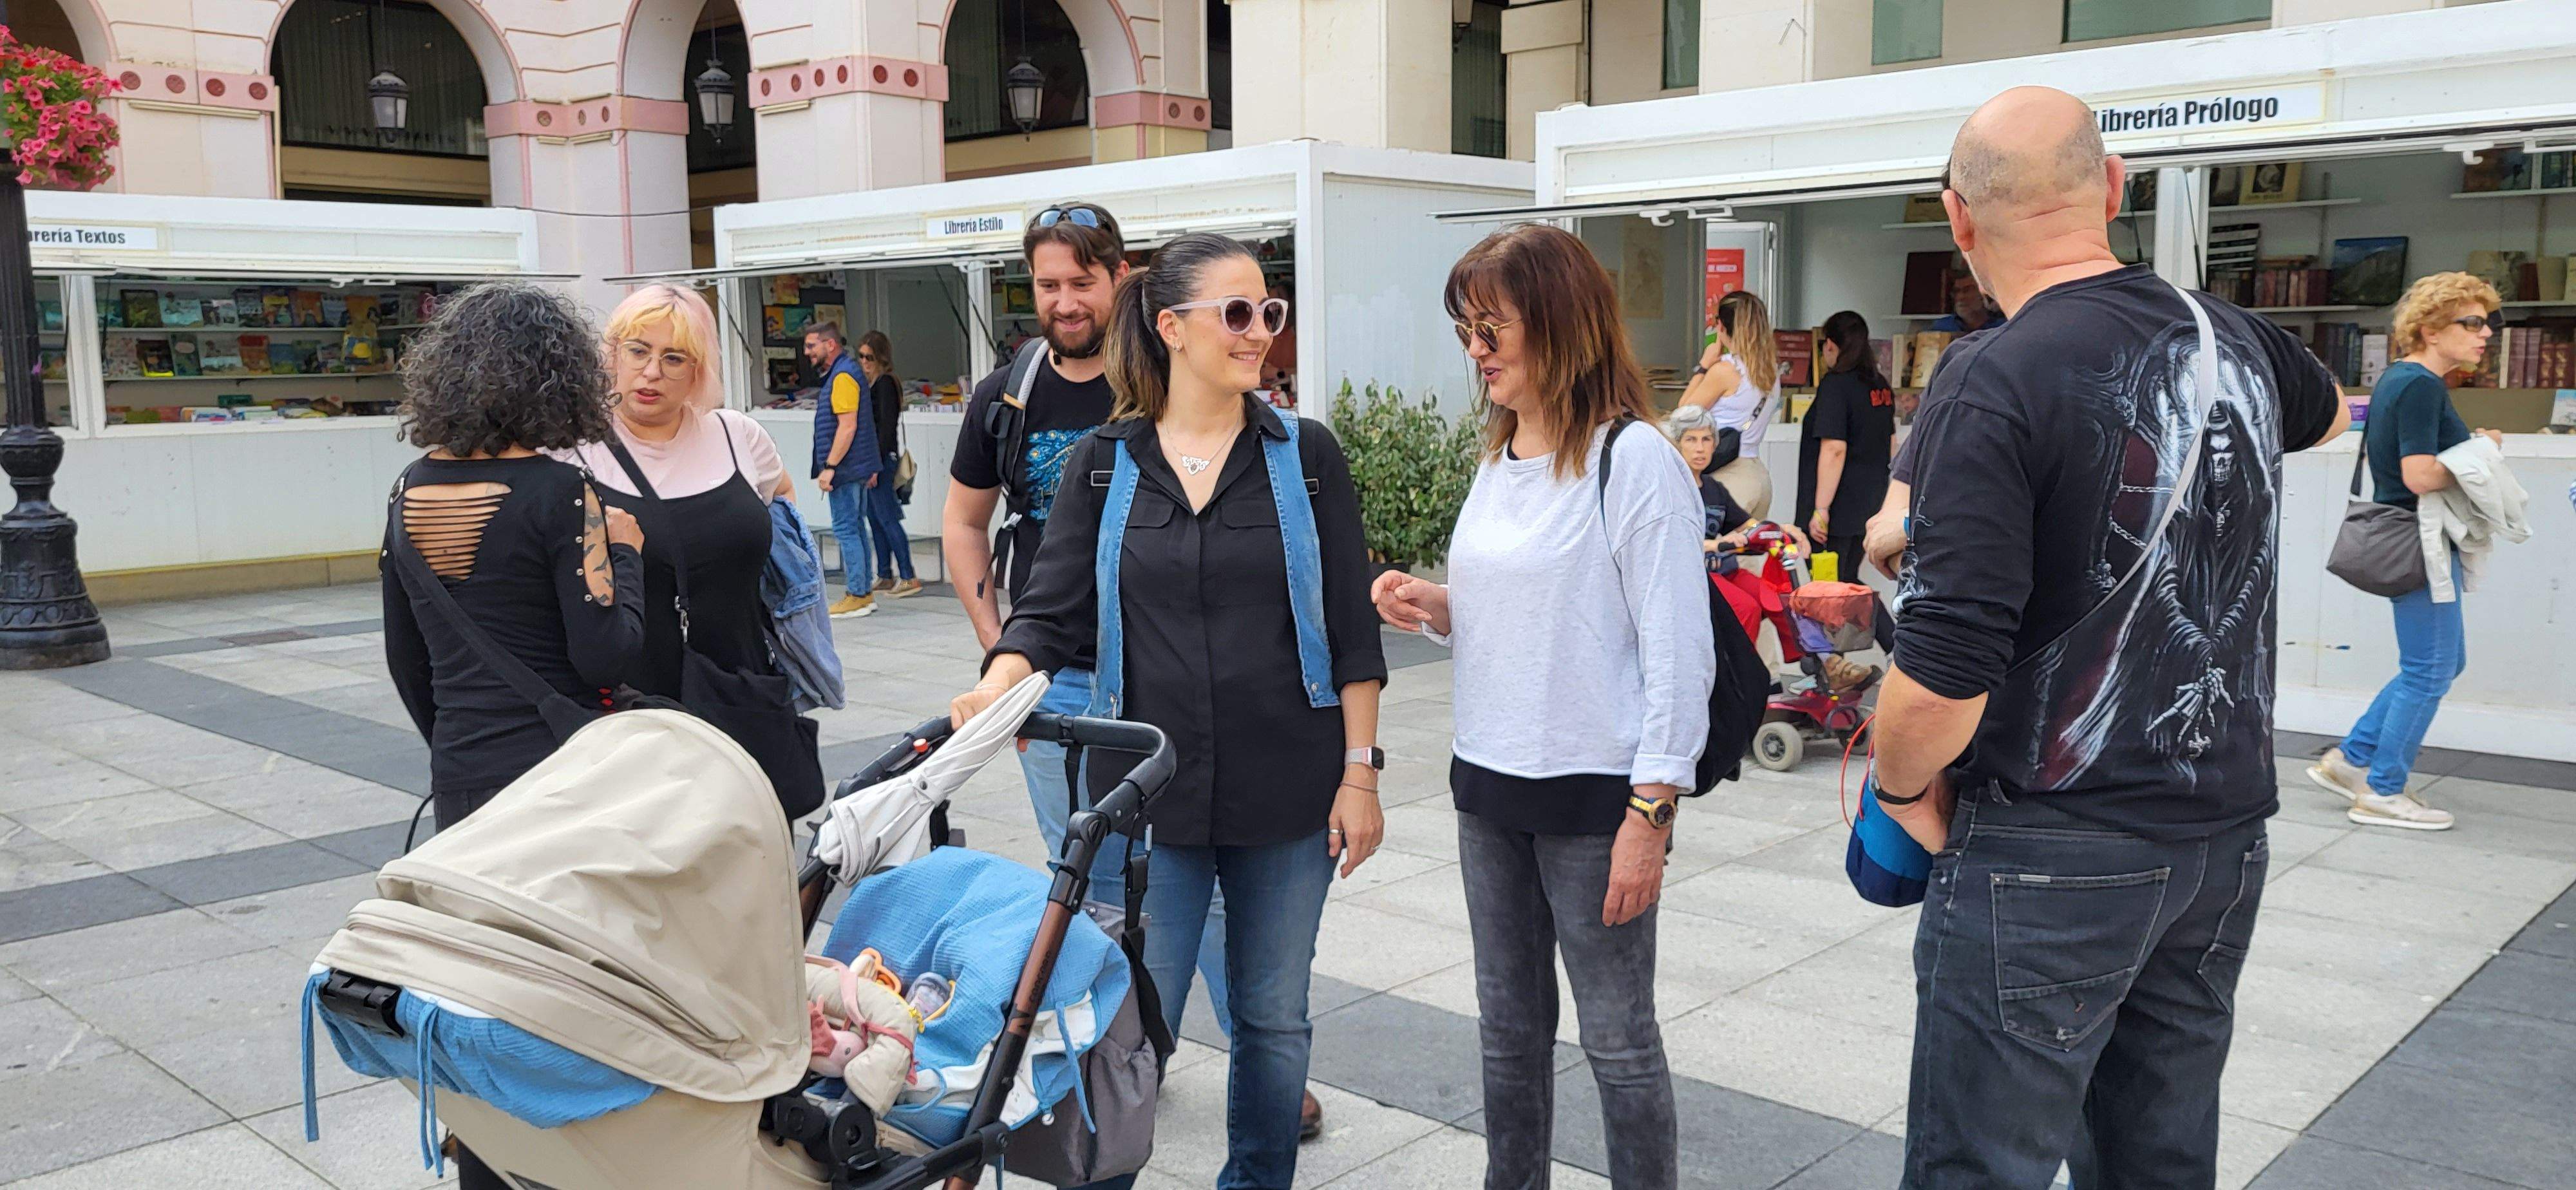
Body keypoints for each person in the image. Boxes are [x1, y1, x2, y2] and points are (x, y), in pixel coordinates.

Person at [1866, 87, 2346, 1188]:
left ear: (1960, 217)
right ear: (2116, 191)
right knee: (2161, 1158)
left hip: (2053, 844)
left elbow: (1943, 677)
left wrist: (1899, 792)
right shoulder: (2227, 333)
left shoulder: (1991, 378)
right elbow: (2322, 413)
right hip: (2221, 835)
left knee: (1980, 1163)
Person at [951, 232, 1387, 1190]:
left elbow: (1353, 630)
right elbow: (1051, 609)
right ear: (1172, 326)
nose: (1259, 333)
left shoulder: (1304, 456)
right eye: (1237, 312)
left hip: (1290, 787)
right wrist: (998, 683)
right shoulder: (1105, 465)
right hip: (1145, 799)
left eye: (1269, 313)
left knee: (1274, 1018)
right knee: (1126, 1020)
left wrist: (1362, 773)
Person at [1374, 222, 1709, 1190]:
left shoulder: (1635, 460)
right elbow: (1527, 613)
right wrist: (1439, 609)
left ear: (1561, 326)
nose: (1477, 352)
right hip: (1489, 789)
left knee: (1618, 1041)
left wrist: (1653, 809)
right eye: (1466, 332)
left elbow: (1677, 651)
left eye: (1493, 329)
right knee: (1508, 1035)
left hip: (1594, 803)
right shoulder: (1500, 456)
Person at [379, 280, 647, 1190]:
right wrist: (633, 555)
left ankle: (486, 1167)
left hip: (466, 779)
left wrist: (459, 740)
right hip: (565, 785)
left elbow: (405, 660)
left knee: (482, 986)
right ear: (558, 380)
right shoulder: (563, 493)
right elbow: (606, 652)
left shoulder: (408, 491)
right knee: (567, 992)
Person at [554, 284, 802, 741]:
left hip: (742, 689)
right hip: (629, 705)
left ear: (697, 370)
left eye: (674, 358)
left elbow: (782, 499)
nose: (652, 372)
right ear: (613, 356)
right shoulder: (571, 452)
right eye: (638, 351)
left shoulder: (738, 437)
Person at [2307, 272, 2505, 831]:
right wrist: (2482, 451)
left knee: (2442, 662)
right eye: (2471, 322)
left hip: (2412, 537)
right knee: (2430, 668)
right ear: (2429, 328)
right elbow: (2420, 476)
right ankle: (2383, 789)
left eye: (2487, 322)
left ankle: (2351, 758)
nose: (2485, 333)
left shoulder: (2399, 380)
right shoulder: (2420, 385)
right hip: (2417, 539)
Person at [1797, 310, 1897, 567]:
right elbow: (1891, 443)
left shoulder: (1836, 385)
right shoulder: (1880, 385)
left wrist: (1821, 509)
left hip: (1837, 508)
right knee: (1847, 579)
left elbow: (1834, 449)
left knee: (1827, 586)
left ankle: (1877, 610)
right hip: (1870, 501)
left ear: (1830, 344)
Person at [1678, 288, 1780, 518]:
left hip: (1728, 477)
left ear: (1721, 327)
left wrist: (1704, 366)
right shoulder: (1771, 370)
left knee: (1718, 552)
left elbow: (1683, 413)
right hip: (1757, 475)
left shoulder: (1725, 370)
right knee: (1750, 553)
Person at [804, 321, 883, 618]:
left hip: (846, 469)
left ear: (831, 345)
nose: (807, 352)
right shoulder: (845, 373)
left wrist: (829, 467)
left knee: (847, 529)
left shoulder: (842, 377)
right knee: (856, 529)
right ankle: (862, 592)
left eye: (812, 345)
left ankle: (858, 594)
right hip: (856, 468)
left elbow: (848, 427)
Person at [857, 329, 921, 598]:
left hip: (881, 459)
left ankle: (908, 574)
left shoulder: (884, 384)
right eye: (860, 356)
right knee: (875, 518)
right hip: (875, 458)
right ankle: (885, 573)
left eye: (869, 357)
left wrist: (875, 464)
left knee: (887, 517)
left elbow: (885, 428)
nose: (864, 362)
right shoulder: (873, 384)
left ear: (881, 358)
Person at [1927, 270, 2004, 335]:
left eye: (1967, 290)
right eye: (1956, 291)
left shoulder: (2002, 327)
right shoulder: (1942, 327)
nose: (1960, 297)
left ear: (1984, 293)